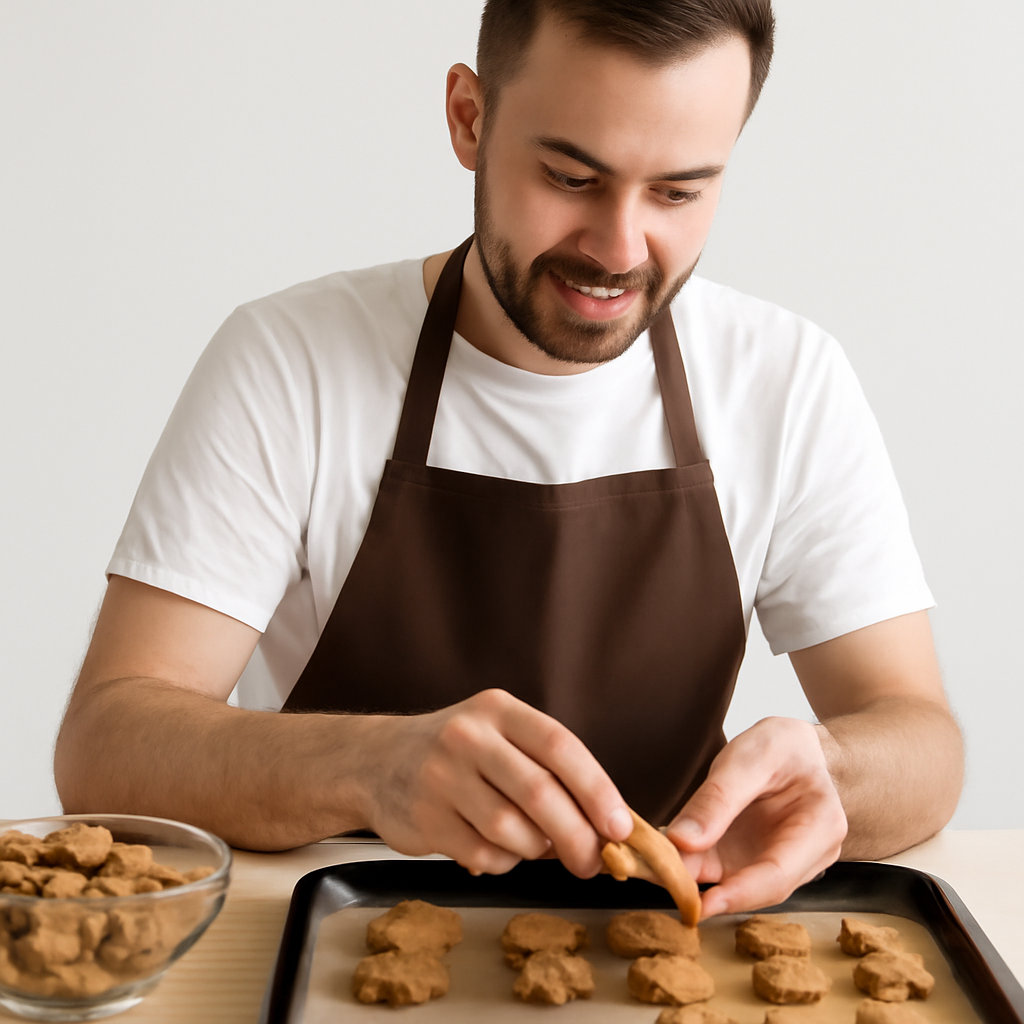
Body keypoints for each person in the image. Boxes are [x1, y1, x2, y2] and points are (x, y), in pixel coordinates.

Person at [54, 0, 963, 920]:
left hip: (671, 955)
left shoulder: (785, 380)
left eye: (679, 193)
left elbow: (923, 745)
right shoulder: (290, 363)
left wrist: (834, 773)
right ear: (469, 118)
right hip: (347, 943)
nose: (619, 248)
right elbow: (106, 745)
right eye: (571, 176)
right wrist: (370, 768)